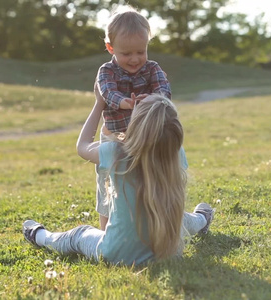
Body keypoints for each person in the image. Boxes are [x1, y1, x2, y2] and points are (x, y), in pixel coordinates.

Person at [22, 92, 214, 266]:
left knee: (79, 236)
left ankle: (40, 236)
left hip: (116, 253)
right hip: (169, 253)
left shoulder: (117, 153)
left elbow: (83, 146)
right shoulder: (174, 153)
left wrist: (99, 104)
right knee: (177, 216)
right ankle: (203, 220)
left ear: (138, 125)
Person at [94, 5, 171, 230]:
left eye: (141, 51)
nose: (135, 59)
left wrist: (152, 99)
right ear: (110, 48)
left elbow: (165, 90)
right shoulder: (106, 71)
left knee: (148, 180)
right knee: (107, 181)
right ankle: (105, 230)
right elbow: (107, 92)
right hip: (113, 137)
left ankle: (151, 223)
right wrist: (127, 102)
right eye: (126, 53)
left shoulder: (152, 68)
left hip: (146, 136)